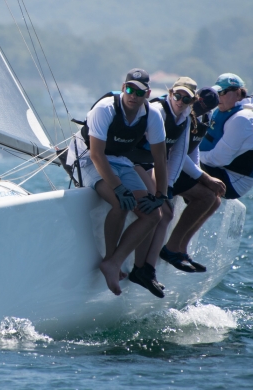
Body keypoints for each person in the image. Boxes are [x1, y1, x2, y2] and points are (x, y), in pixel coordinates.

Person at [75, 68, 170, 298]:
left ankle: (113, 262)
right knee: (120, 202)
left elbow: (160, 158)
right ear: (123, 87)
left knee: (154, 215)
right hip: (88, 158)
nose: (133, 95)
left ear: (147, 94)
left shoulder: (152, 115)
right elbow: (97, 155)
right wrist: (118, 187)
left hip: (121, 161)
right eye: (129, 89)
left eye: (139, 92)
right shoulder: (105, 108)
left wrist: (160, 195)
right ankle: (110, 259)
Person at [126, 80, 227, 275]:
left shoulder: (197, 117)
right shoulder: (163, 112)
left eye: (187, 99)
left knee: (214, 200)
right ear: (171, 93)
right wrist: (202, 177)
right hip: (148, 164)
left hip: (169, 166)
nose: (183, 102)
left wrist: (195, 177)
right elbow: (170, 153)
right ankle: (163, 254)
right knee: (173, 208)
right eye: (178, 96)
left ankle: (179, 249)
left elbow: (189, 150)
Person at [198, 73, 253, 200]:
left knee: (178, 163)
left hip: (233, 181)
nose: (218, 97)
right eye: (217, 93)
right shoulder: (225, 110)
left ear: (238, 94)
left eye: (223, 92)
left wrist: (188, 158)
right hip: (219, 169)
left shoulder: (243, 118)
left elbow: (219, 159)